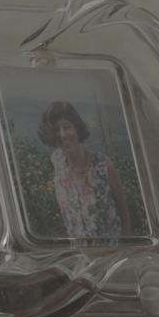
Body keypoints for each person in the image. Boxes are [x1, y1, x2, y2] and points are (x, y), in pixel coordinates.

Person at [38, 101, 130, 238]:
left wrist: (127, 241)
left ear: (77, 127)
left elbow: (123, 207)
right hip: (79, 249)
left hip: (112, 247)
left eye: (66, 127)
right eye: (56, 130)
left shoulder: (103, 165)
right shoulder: (57, 161)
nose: (62, 134)